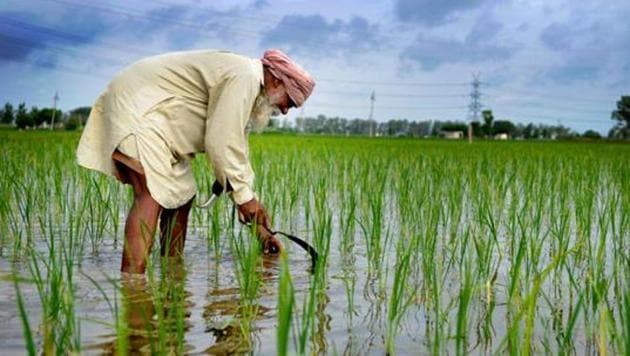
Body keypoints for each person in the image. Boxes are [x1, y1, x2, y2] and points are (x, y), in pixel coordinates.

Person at [76, 49, 315, 273]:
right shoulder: (244, 78)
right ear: (275, 80)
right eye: (291, 102)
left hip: (160, 126)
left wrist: (260, 229)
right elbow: (222, 141)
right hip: (138, 111)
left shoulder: (246, 87)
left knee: (183, 195)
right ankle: (133, 283)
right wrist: (245, 199)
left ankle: (171, 271)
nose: (285, 111)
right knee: (150, 192)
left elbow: (235, 152)